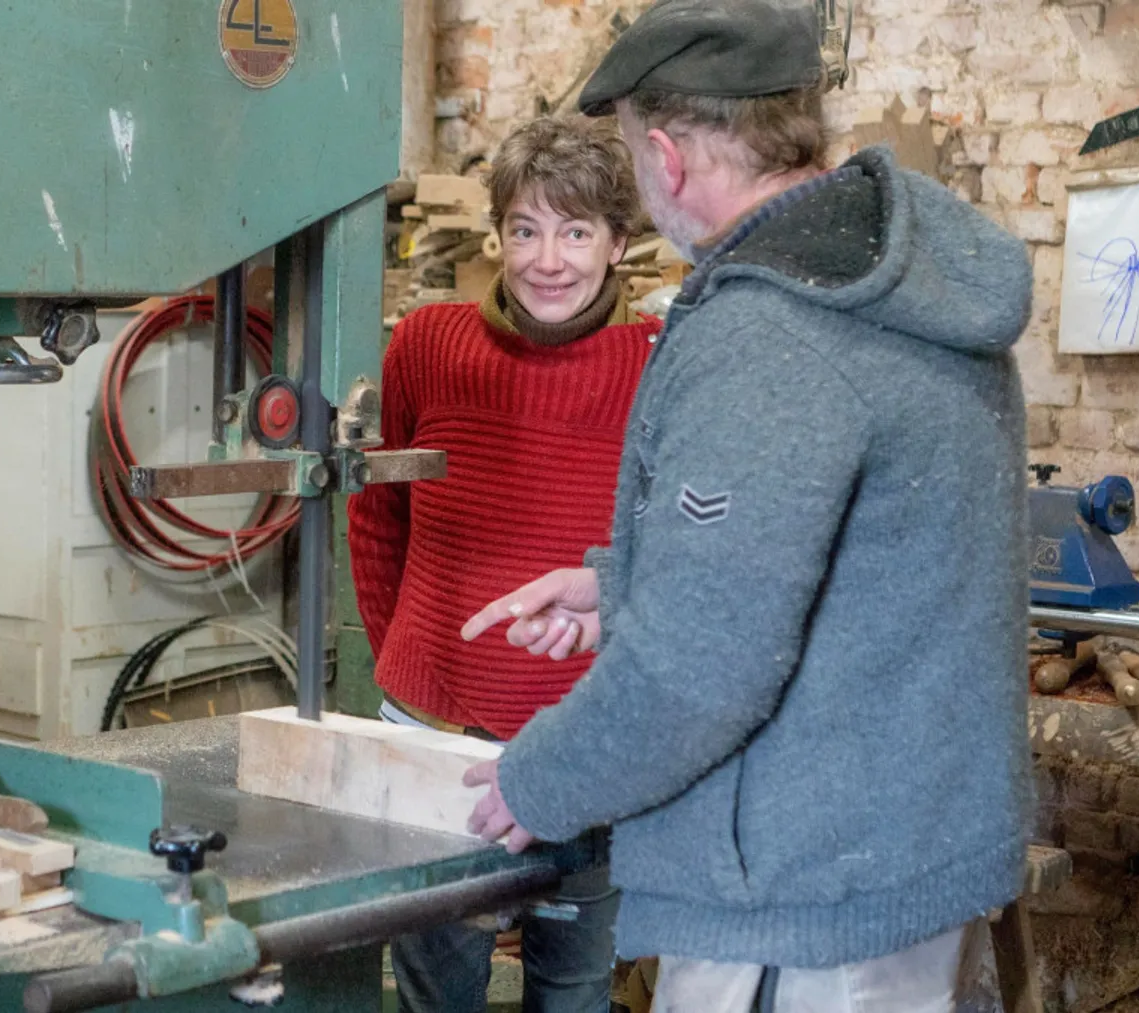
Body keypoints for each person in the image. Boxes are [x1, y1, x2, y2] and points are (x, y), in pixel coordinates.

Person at [456, 1, 1036, 1011]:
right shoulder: (897, 280)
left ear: (669, 157)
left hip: (800, 913)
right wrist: (619, 584)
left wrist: (531, 782)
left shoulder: (769, 330)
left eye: (635, 157)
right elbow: (855, 549)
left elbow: (694, 672)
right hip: (899, 865)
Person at [347, 115, 659, 1013]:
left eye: (575, 231)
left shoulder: (655, 368)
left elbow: (668, 566)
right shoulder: (429, 346)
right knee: (435, 990)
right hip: (433, 739)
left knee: (572, 986)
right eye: (525, 229)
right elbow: (376, 519)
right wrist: (409, 668)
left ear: (617, 243)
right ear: (498, 236)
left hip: (585, 745)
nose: (547, 259)